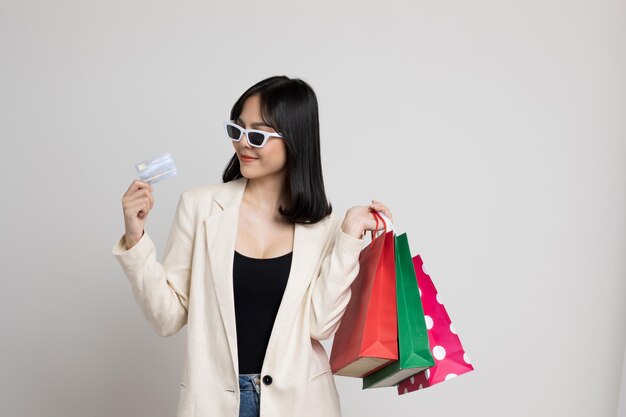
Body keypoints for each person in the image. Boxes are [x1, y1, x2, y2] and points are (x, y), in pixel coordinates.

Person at [112, 75, 394, 417]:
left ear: (295, 140)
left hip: (302, 404)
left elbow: (320, 326)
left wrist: (349, 236)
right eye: (237, 130)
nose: (244, 144)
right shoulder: (199, 207)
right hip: (216, 404)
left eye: (257, 135)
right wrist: (135, 238)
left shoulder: (323, 224)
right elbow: (166, 318)